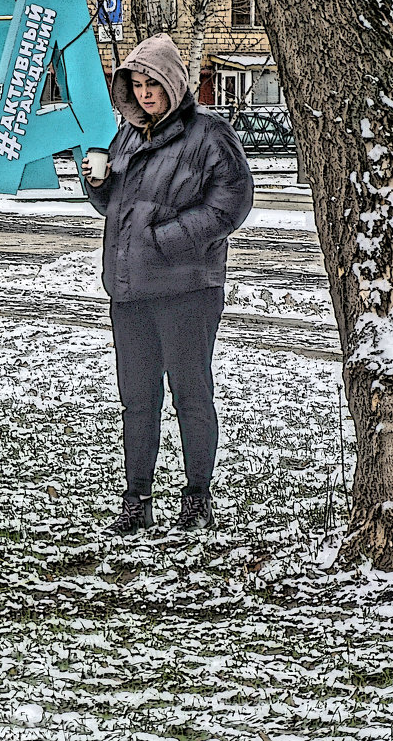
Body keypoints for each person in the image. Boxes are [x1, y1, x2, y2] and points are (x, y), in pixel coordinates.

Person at [82, 32, 253, 535]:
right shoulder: (129, 135)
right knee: (137, 398)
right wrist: (99, 184)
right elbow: (114, 207)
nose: (144, 93)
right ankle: (136, 499)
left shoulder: (209, 134)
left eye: (152, 83)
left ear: (173, 82)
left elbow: (232, 202)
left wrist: (168, 239)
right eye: (135, 85)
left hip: (187, 290)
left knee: (190, 393)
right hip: (130, 290)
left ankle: (197, 497)